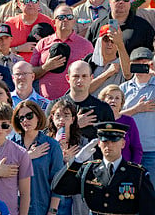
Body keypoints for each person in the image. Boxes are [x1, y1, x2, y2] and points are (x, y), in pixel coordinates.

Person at [52, 122, 155, 214]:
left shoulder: (137, 173)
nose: (109, 145)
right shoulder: (89, 170)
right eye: (105, 141)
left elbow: (148, 209)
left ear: (123, 144)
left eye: (114, 141)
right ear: (99, 143)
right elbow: (59, 188)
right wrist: (77, 161)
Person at [31, 5, 94, 101]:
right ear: (53, 22)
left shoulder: (86, 45)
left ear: (73, 21)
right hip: (46, 102)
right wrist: (45, 67)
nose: (65, 20)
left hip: (76, 101)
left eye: (69, 17)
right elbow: (31, 73)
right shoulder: (42, 43)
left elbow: (93, 74)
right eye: (61, 17)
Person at [11, 101, 64, 215]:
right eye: (21, 118)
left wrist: (52, 210)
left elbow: (58, 182)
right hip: (14, 207)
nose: (25, 120)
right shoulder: (12, 144)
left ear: (38, 116)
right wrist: (27, 157)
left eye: (29, 116)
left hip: (41, 208)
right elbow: (7, 172)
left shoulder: (52, 146)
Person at [46, 60, 115, 141]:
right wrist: (75, 124)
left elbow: (111, 139)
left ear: (91, 78)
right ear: (68, 78)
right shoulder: (55, 106)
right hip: (62, 152)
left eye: (84, 76)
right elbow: (45, 135)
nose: (80, 80)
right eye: (76, 76)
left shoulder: (103, 108)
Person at [119, 47, 155, 185]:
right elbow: (113, 116)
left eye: (144, 63)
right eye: (137, 62)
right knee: (129, 193)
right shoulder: (123, 88)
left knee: (151, 194)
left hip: (151, 150)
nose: (140, 66)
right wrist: (137, 109)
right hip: (128, 149)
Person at [98, 85, 143, 164]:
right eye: (110, 98)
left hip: (125, 169)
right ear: (103, 100)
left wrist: (134, 168)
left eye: (117, 98)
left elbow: (137, 148)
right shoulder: (96, 121)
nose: (113, 101)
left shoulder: (129, 121)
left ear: (122, 102)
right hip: (101, 169)